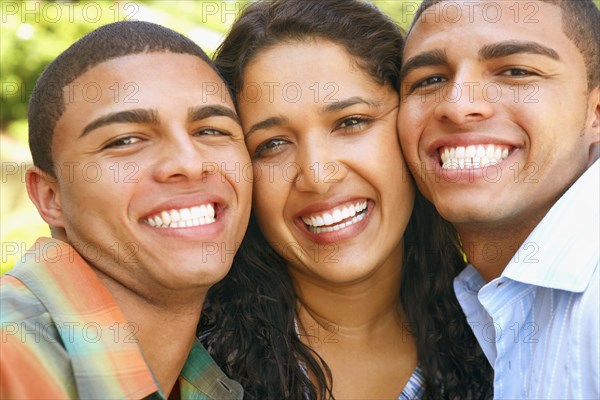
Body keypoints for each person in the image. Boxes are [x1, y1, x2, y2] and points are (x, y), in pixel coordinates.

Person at [199, 0, 492, 399]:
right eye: (272, 144)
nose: (318, 176)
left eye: (351, 122)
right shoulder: (192, 363)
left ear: (411, 122)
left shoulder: (503, 335)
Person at [0, 21, 251, 399]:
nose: (189, 162)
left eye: (210, 130)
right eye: (126, 140)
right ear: (51, 197)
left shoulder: (210, 382)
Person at [398, 0, 600, 398]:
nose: (458, 106)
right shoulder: (473, 299)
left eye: (516, 71)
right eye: (428, 80)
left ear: (596, 112)